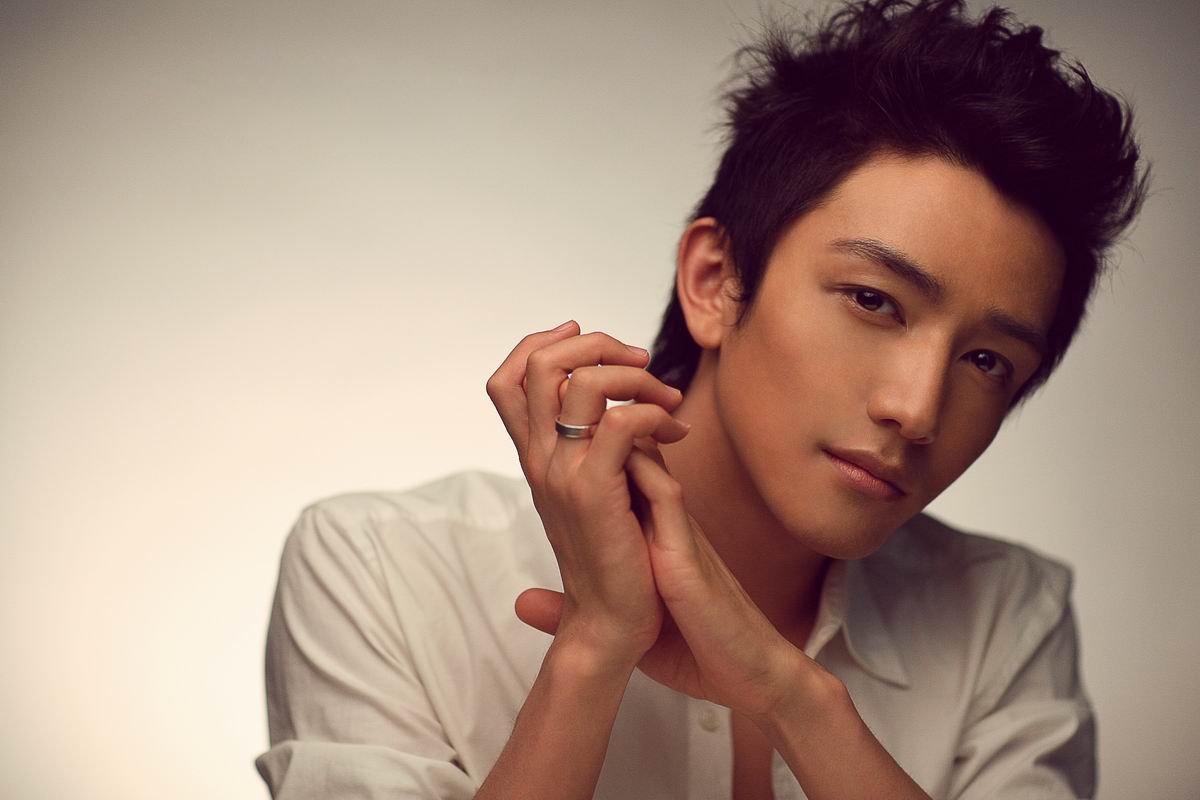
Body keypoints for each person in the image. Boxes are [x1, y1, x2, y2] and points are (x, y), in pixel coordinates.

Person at [253, 1, 1149, 798]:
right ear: (715, 280)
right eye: (874, 301)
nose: (917, 410)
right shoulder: (383, 569)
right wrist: (593, 649)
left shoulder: (1003, 616)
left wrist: (791, 696)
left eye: (987, 360)